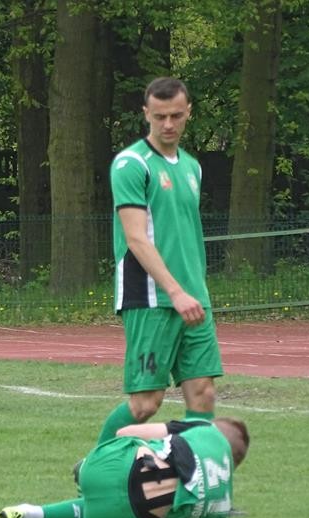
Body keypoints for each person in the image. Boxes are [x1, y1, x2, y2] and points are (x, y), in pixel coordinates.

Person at [97, 76, 223, 443]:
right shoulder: (132, 164)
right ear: (146, 114)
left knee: (203, 393)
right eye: (160, 116)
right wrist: (175, 292)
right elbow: (136, 238)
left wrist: (192, 291)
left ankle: (196, 474)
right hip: (151, 297)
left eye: (176, 116)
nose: (168, 124)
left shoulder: (192, 167)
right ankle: (95, 465)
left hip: (194, 297)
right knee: (145, 403)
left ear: (189, 113)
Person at [0, 417, 249, 518]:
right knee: (130, 503)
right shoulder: (220, 512)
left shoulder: (204, 429)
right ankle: (33, 513)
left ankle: (85, 467)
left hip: (106, 469)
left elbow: (125, 432)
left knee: (135, 446)